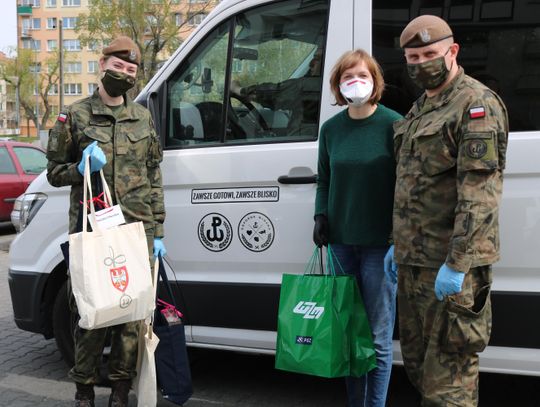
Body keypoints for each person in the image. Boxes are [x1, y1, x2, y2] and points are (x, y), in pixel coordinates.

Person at [384, 15, 509, 406]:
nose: (421, 63)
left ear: (452, 51)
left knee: (449, 384)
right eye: (413, 57)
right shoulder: (422, 106)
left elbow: (479, 195)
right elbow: (409, 184)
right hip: (414, 263)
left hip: (451, 266)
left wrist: (457, 264)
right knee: (421, 371)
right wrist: (396, 243)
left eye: (430, 54)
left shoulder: (476, 104)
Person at [46, 36, 166, 407]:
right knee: (92, 313)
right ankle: (84, 390)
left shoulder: (142, 116)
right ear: (102, 64)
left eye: (131, 70)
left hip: (136, 230)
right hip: (92, 229)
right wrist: (79, 168)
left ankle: (120, 389)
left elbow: (153, 176)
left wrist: (157, 230)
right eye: (118, 67)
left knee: (132, 317)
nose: (125, 74)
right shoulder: (76, 115)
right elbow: (52, 172)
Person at [313, 49, 402, 407]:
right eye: (348, 77)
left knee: (379, 338)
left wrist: (399, 236)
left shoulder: (394, 124)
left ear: (375, 82)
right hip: (341, 246)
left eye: (362, 76)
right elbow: (324, 178)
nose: (356, 83)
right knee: (349, 334)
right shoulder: (331, 129)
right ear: (337, 85)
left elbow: (405, 185)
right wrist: (321, 215)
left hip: (380, 246)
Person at [230, 46, 324, 137]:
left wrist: (237, 89)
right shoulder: (323, 86)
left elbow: (274, 94)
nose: (311, 64)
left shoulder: (312, 85)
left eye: (317, 59)